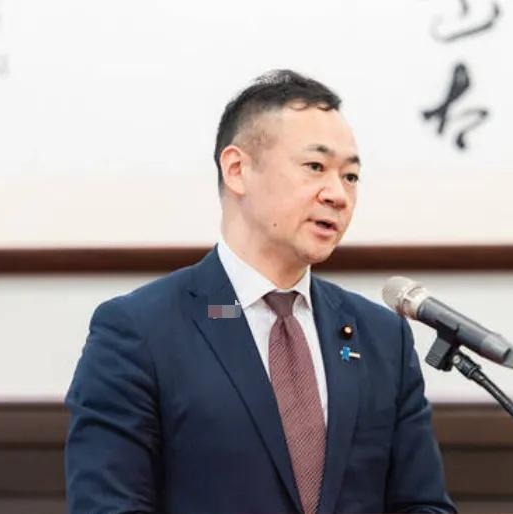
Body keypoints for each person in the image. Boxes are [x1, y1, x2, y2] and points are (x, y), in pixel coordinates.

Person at [65, 69, 455, 514]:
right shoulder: (140, 331)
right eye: (315, 167)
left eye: (350, 176)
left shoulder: (382, 336)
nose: (338, 195)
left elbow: (423, 504)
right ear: (237, 170)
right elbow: (107, 506)